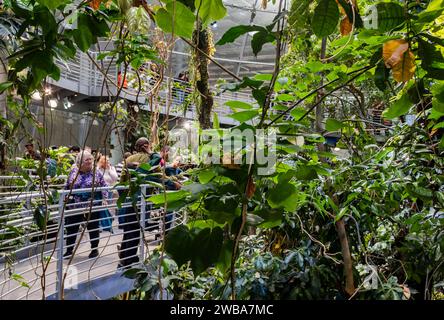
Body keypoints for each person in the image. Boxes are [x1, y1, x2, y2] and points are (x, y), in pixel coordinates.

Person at [63, 150, 107, 259]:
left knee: (93, 227)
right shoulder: (74, 171)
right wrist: (64, 197)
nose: (90, 161)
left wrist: (105, 199)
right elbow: (67, 185)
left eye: (91, 159)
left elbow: (104, 186)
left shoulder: (96, 172)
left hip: (92, 205)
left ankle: (94, 249)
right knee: (72, 228)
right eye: (86, 159)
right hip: (74, 205)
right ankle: (69, 250)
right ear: (79, 162)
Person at [96, 155, 118, 233]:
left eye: (108, 160)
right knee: (102, 207)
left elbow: (115, 178)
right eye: (106, 161)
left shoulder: (111, 168)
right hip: (101, 190)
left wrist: (109, 170)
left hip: (110, 190)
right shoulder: (98, 169)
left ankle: (107, 224)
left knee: (109, 208)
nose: (108, 162)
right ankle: (100, 225)